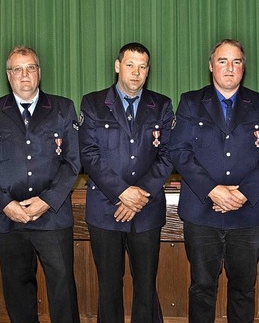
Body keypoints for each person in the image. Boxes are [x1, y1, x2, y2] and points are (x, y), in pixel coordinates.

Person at [168, 39, 259, 323]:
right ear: (211, 66)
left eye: (236, 62)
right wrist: (212, 190)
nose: (229, 68)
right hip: (201, 213)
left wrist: (244, 193)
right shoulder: (190, 102)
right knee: (202, 289)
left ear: (244, 67)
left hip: (247, 214)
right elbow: (179, 151)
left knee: (244, 289)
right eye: (222, 61)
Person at [0, 45, 80, 323]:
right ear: (9, 76)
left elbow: (73, 161)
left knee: (63, 288)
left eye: (30, 67)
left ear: (39, 73)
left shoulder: (62, 108)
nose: (25, 74)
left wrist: (47, 200)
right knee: (17, 291)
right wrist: (5, 205)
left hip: (52, 216)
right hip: (10, 219)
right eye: (17, 69)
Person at [79, 42, 174, 323]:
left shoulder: (162, 105)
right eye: (130, 65)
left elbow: (169, 155)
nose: (136, 73)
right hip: (105, 210)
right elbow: (88, 154)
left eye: (143, 67)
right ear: (117, 66)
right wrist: (122, 193)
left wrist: (139, 195)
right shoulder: (93, 103)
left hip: (146, 210)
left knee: (146, 286)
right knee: (109, 287)